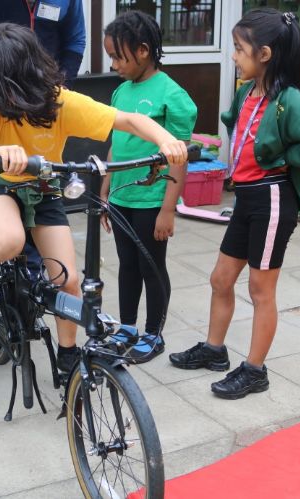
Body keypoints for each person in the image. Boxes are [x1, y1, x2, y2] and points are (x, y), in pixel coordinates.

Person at [0, 23, 189, 373]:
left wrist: (165, 139)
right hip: (1, 183)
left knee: (67, 279)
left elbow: (128, 120)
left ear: (15, 80)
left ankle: (67, 353)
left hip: (42, 188)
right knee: (8, 240)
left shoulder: (59, 102)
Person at [169, 8, 300, 399]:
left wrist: (283, 159)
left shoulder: (290, 100)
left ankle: (255, 371)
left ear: (265, 54)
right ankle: (214, 350)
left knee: (261, 290)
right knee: (221, 279)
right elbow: (236, 126)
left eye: (239, 49)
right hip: (246, 196)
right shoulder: (247, 91)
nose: (233, 56)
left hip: (272, 197)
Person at [100, 11, 197, 363]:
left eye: (118, 56)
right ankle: (127, 327)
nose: (113, 65)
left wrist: (168, 209)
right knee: (127, 264)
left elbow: (179, 158)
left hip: (152, 199)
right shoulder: (120, 91)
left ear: (142, 51)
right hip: (122, 195)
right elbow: (116, 145)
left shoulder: (172, 94)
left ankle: (154, 334)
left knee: (151, 266)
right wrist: (106, 188)